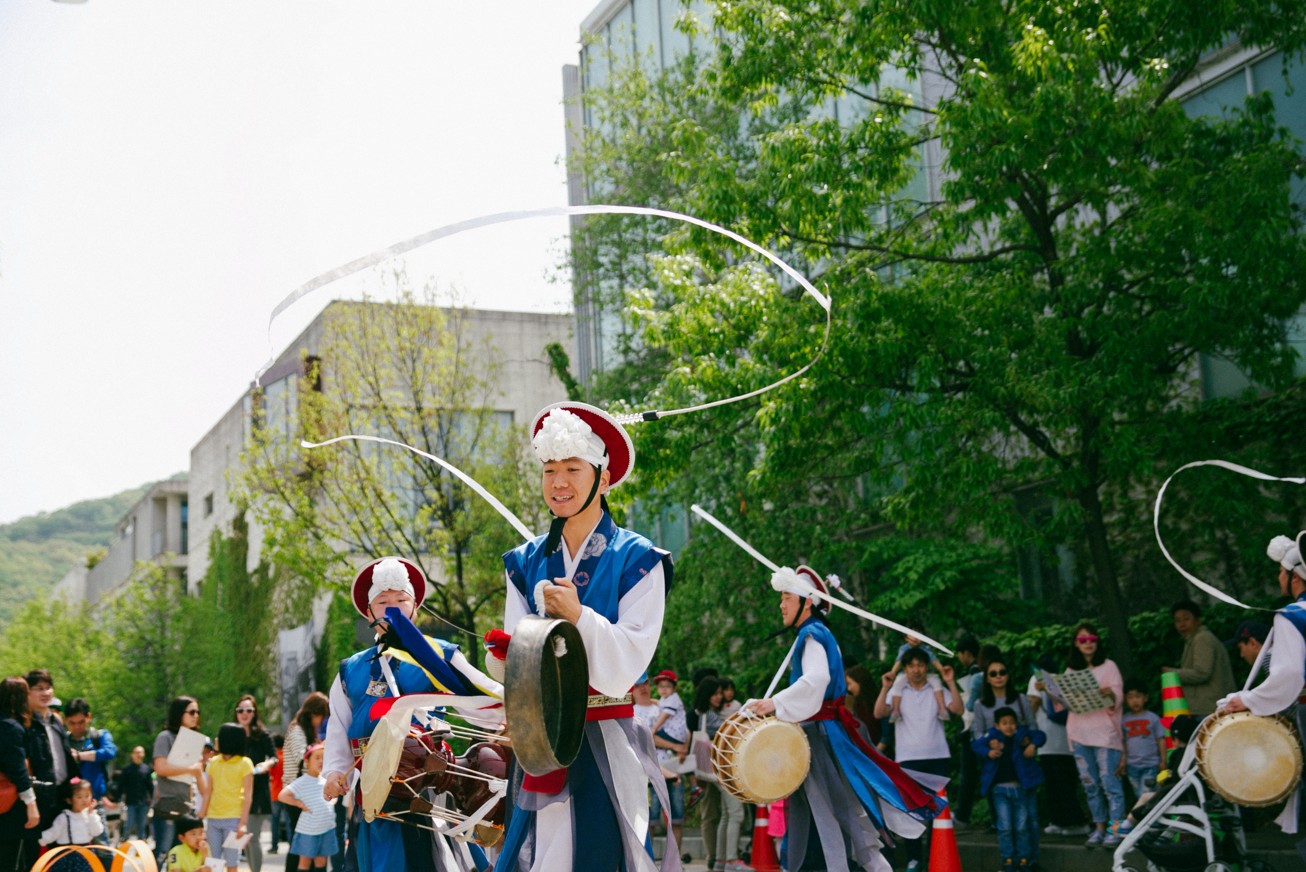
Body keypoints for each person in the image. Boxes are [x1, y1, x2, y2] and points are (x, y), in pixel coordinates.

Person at [494, 401, 676, 872]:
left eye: (572, 469)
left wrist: (579, 616)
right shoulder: (523, 562)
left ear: (604, 477)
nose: (558, 482)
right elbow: (517, 660)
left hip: (608, 739)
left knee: (603, 855)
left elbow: (627, 664)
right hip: (542, 743)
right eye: (549, 470)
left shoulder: (639, 558)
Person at [750, 565, 948, 872]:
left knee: (826, 817)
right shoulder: (819, 633)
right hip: (827, 732)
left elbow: (815, 681)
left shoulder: (812, 634)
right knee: (842, 815)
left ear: (807, 602)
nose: (781, 605)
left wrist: (774, 703)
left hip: (820, 736)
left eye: (787, 598)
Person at [322, 556, 503, 872]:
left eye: (401, 600)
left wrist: (514, 712)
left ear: (415, 607)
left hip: (426, 785)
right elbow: (339, 727)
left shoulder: (440, 654)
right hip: (374, 793)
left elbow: (484, 700)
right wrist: (336, 773)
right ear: (368, 612)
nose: (392, 608)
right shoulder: (351, 669)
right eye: (383, 602)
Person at [1218, 534, 1306, 855]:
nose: (1278, 577)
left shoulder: (1293, 615)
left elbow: (1288, 675)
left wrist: (1248, 700)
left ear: (1294, 577)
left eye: (1281, 571)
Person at [874, 645, 964, 871]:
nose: (916, 670)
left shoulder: (936, 688)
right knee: (912, 812)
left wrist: (950, 682)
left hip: (937, 756)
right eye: (911, 665)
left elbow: (958, 710)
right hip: (908, 758)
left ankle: (936, 856)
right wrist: (885, 687)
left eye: (920, 665)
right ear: (905, 668)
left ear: (926, 667)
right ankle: (914, 859)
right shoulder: (898, 689)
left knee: (937, 811)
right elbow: (878, 713)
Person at [1058, 623, 1124, 849]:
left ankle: (1115, 830)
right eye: (1082, 640)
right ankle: (1099, 828)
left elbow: (1118, 699)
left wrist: (1110, 694)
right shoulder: (1070, 671)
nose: (1088, 643)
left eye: (1091, 639)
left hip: (1105, 735)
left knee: (1110, 784)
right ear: (1076, 644)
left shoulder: (1109, 666)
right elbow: (1063, 702)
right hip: (1079, 734)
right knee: (1090, 785)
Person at [971, 707, 1045, 870]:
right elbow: (976, 744)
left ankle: (1025, 859)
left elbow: (1040, 735)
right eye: (1004, 723)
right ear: (997, 725)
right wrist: (988, 751)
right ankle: (1008, 860)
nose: (1009, 726)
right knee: (1004, 826)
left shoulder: (1022, 735)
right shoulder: (992, 736)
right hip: (1000, 790)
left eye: (1012, 722)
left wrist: (1032, 744)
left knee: (1022, 825)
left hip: (1021, 788)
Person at [1027, 654, 1088, 836]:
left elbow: (1034, 702)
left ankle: (1067, 821)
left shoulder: (1037, 678)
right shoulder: (1061, 679)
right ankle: (1066, 821)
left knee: (1053, 784)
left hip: (1046, 739)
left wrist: (1026, 726)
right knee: (1066, 783)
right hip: (1065, 739)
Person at [153, 696, 209, 864]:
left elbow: (204, 788)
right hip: (168, 807)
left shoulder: (195, 740)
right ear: (179, 713)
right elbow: (160, 768)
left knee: (184, 859)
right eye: (191, 712)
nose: (196, 716)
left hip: (187, 809)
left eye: (198, 712)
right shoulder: (165, 737)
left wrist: (202, 812)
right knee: (163, 854)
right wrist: (190, 769)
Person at [1164, 600, 1236, 719]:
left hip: (1209, 707)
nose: (1182, 624)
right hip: (1206, 707)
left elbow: (1202, 673)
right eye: (1177, 620)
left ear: (1198, 620)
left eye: (1186, 619)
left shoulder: (1202, 638)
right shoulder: (1192, 639)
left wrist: (1171, 673)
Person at [25, 669, 78, 828]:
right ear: (28, 692)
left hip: (63, 794)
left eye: (48, 688)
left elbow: (67, 757)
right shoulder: (25, 722)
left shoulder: (56, 720)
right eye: (39, 688)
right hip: (39, 797)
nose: (45, 693)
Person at [282, 691, 329, 872]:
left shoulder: (304, 731)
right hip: (297, 794)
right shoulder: (297, 731)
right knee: (300, 843)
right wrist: (321, 748)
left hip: (306, 793)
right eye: (321, 716)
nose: (321, 721)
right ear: (313, 713)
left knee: (307, 843)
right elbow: (302, 759)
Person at [198, 722, 253, 872]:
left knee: (232, 861)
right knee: (213, 861)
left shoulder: (245, 763)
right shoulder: (213, 763)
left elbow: (248, 795)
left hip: (234, 820)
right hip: (213, 819)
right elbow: (208, 791)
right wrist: (201, 815)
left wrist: (243, 823)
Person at [0, 676, 41, 872]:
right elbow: (17, 769)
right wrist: (31, 803)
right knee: (9, 859)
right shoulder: (10, 727)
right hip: (9, 803)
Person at [278, 743, 338, 872]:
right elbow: (282, 795)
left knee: (321, 862)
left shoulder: (326, 780)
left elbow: (334, 795)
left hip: (327, 827)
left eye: (324, 758)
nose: (321, 761)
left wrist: (332, 801)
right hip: (308, 830)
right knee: (305, 862)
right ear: (307, 761)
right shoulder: (302, 781)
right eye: (317, 758)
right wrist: (299, 804)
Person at [233, 695, 276, 872]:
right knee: (242, 839)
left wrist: (266, 765)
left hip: (257, 791)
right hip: (236, 792)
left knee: (252, 836)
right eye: (240, 710)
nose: (244, 714)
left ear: (254, 713)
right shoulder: (232, 734)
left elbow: (273, 757)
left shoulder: (262, 734)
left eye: (249, 710)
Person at [63, 698, 116, 839]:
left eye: (81, 722)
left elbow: (110, 751)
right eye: (72, 723)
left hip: (93, 802)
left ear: (88, 717)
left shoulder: (98, 736)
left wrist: (80, 756)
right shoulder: (63, 740)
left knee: (101, 844)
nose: (77, 727)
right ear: (65, 720)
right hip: (69, 805)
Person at [952, 635, 982, 828]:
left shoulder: (976, 674)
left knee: (968, 774)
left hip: (972, 729)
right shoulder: (981, 670)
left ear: (966, 653)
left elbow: (970, 706)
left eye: (960, 653)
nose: (959, 658)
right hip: (980, 729)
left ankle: (962, 815)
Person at [1117, 679, 1165, 800]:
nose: (1134, 700)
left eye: (1138, 696)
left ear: (1145, 698)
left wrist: (1163, 760)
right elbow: (1123, 743)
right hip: (1131, 765)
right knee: (1139, 795)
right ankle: (1149, 811)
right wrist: (1123, 761)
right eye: (1130, 697)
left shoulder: (1153, 718)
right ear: (1125, 699)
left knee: (1145, 794)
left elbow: (1160, 739)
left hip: (1150, 764)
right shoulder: (1123, 720)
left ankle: (1150, 812)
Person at [39, 777, 104, 864]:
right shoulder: (64, 817)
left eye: (87, 796)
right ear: (69, 800)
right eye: (79, 797)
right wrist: (38, 839)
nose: (84, 800)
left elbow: (96, 832)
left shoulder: (90, 815)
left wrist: (91, 814)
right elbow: (53, 833)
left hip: (86, 855)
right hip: (66, 856)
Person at [885, 635, 948, 721]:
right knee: (897, 683)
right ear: (906, 638)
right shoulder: (903, 648)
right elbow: (899, 662)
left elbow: (934, 661)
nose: (915, 638)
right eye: (912, 635)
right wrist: (893, 672)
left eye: (918, 635)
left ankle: (942, 709)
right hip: (906, 674)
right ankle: (896, 711)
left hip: (925, 674)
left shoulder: (926, 648)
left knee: (936, 681)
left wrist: (942, 670)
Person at [970, 656, 1033, 737]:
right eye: (993, 674)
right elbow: (978, 733)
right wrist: (989, 743)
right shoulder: (979, 704)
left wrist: (1030, 742)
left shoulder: (1021, 699)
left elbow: (1032, 726)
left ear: (1007, 676)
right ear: (987, 679)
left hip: (1020, 744)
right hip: (992, 744)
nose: (998, 676)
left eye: (1002, 672)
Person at [113, 745, 153, 842]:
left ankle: (142, 846)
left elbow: (150, 786)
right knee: (129, 824)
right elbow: (121, 785)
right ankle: (124, 842)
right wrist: (116, 799)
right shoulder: (127, 769)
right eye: (136, 752)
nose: (138, 754)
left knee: (142, 825)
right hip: (130, 802)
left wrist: (152, 800)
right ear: (132, 755)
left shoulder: (146, 769)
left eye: (140, 752)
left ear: (143, 754)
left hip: (143, 802)